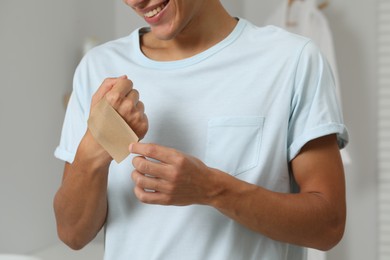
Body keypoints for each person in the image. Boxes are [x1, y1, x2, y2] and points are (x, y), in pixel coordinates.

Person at [53, 0, 348, 259]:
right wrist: (98, 145)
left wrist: (211, 188)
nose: (134, 1)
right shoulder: (99, 67)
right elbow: (72, 234)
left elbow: (328, 226)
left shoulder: (291, 61)